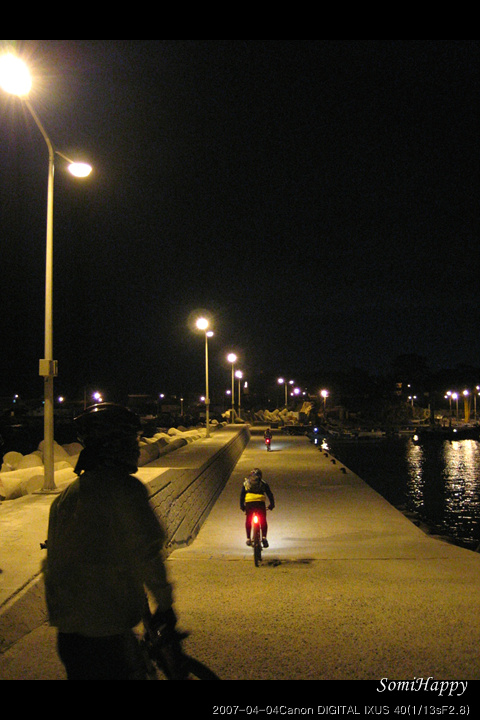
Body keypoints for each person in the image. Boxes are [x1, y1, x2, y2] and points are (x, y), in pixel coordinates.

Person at [42, 402, 184, 680]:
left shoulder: (65, 498)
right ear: (115, 445)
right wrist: (165, 604)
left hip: (69, 633)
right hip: (108, 632)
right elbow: (147, 553)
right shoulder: (126, 491)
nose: (137, 448)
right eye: (132, 441)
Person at [240, 468, 275, 548]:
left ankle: (248, 538)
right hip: (260, 503)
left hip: (249, 503)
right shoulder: (263, 483)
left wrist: (242, 506)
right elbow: (270, 494)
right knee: (263, 520)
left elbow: (242, 495)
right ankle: (264, 538)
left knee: (248, 520)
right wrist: (271, 505)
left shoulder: (246, 483)